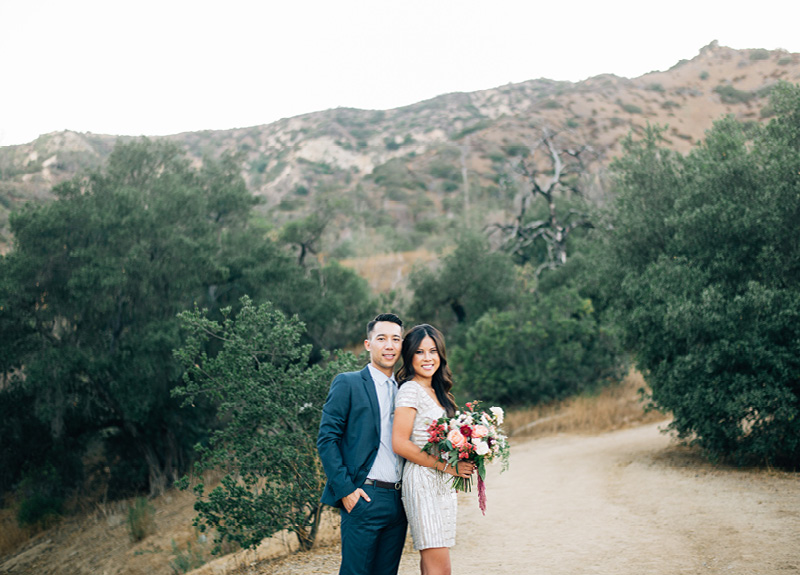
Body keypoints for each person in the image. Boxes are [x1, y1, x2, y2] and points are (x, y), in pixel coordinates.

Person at [317, 313, 408, 575]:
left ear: (402, 345)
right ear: (368, 344)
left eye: (395, 339)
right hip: (364, 496)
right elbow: (327, 439)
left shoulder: (406, 388)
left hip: (399, 501)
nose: (389, 345)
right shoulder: (349, 383)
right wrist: (346, 490)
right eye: (381, 339)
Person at [392, 324, 475, 575]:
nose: (428, 358)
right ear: (409, 356)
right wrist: (449, 467)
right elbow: (400, 442)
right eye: (419, 352)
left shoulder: (439, 392)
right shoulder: (409, 390)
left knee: (434, 564)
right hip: (423, 481)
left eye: (433, 351)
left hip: (443, 483)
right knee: (440, 566)